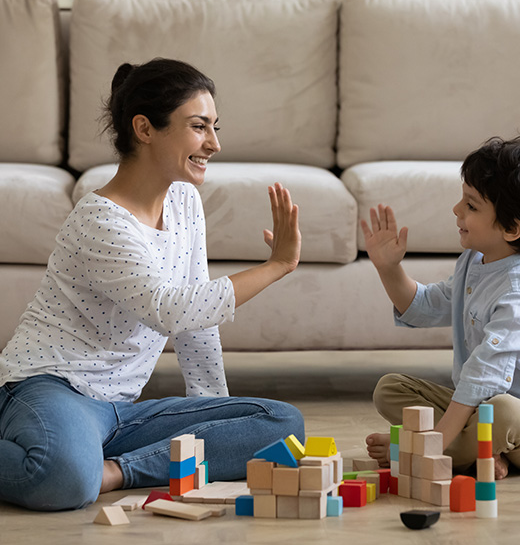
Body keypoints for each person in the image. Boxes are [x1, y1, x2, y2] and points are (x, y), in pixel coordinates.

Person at [0, 58, 305, 511]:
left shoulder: (185, 201)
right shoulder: (99, 219)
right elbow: (173, 309)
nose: (214, 144)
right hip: (52, 386)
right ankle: (75, 460)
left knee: (281, 422)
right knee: (61, 479)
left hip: (122, 412)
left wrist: (210, 420)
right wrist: (277, 265)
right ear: (144, 129)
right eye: (199, 127)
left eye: (215, 127)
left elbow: (195, 327)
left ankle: (113, 470)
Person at [363, 135, 520, 479]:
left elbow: (484, 376)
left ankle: (422, 451)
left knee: (501, 411)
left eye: (471, 205)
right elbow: (425, 306)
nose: (456, 210)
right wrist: (388, 268)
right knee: (391, 388)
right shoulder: (474, 261)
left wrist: (426, 446)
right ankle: (480, 454)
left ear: (511, 229)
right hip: (479, 410)